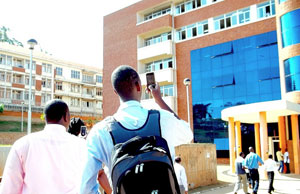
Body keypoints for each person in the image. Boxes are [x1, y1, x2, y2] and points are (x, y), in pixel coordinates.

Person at [80, 65, 193, 194]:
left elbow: (85, 187)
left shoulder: (100, 131)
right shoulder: (163, 118)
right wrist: (159, 99)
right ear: (139, 86)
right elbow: (187, 133)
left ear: (116, 92)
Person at [0, 99, 86, 194]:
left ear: (45, 118)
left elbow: (9, 188)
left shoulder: (23, 144)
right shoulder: (81, 146)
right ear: (66, 117)